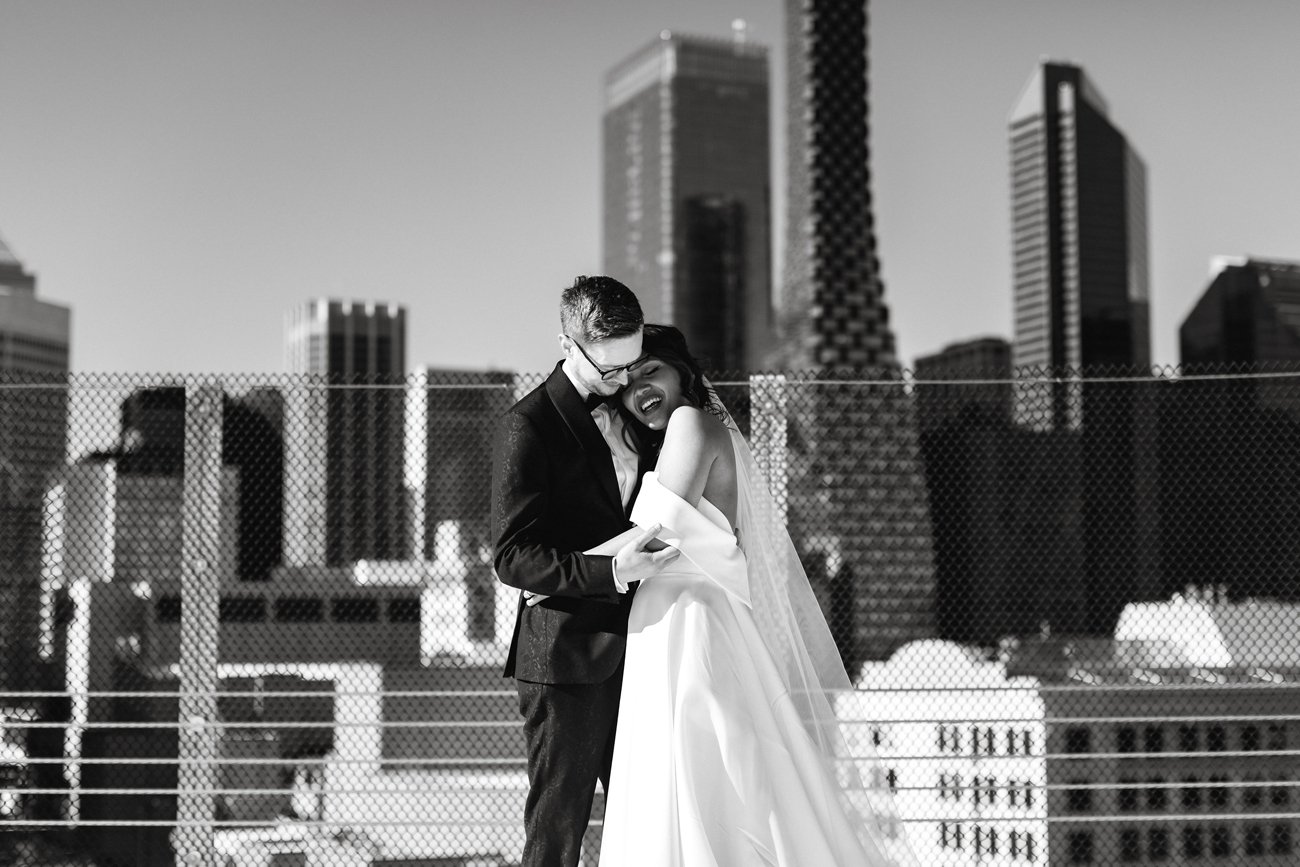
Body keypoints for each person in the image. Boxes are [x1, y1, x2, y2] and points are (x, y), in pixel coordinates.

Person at [599, 324, 918, 866]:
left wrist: (561, 573)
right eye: (626, 382)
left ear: (684, 375)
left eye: (650, 371)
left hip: (688, 623)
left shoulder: (690, 422)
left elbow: (657, 529)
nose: (638, 389)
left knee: (699, 775)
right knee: (699, 777)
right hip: (671, 620)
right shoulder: (675, 438)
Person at [491, 276, 681, 867]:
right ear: (567, 345)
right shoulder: (528, 425)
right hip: (565, 657)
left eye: (633, 365)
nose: (624, 382)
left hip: (647, 647)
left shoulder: (640, 414)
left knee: (644, 817)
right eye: (610, 372)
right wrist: (609, 570)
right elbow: (512, 555)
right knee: (558, 832)